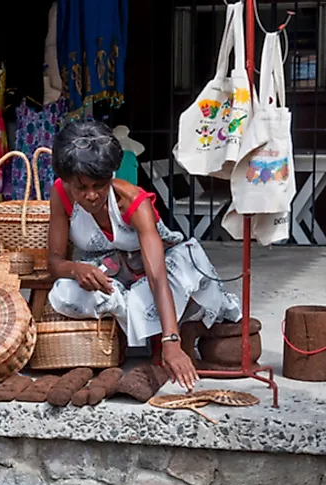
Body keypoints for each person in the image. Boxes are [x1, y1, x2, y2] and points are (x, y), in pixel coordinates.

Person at [46, 120, 241, 391]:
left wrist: (171, 342)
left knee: (181, 272)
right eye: (81, 188)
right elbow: (54, 262)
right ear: (67, 180)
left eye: (99, 185)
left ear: (111, 176)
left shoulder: (133, 201)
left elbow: (157, 276)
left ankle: (167, 331)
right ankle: (134, 330)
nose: (91, 195)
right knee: (64, 293)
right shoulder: (60, 193)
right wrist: (76, 270)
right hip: (114, 275)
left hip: (157, 272)